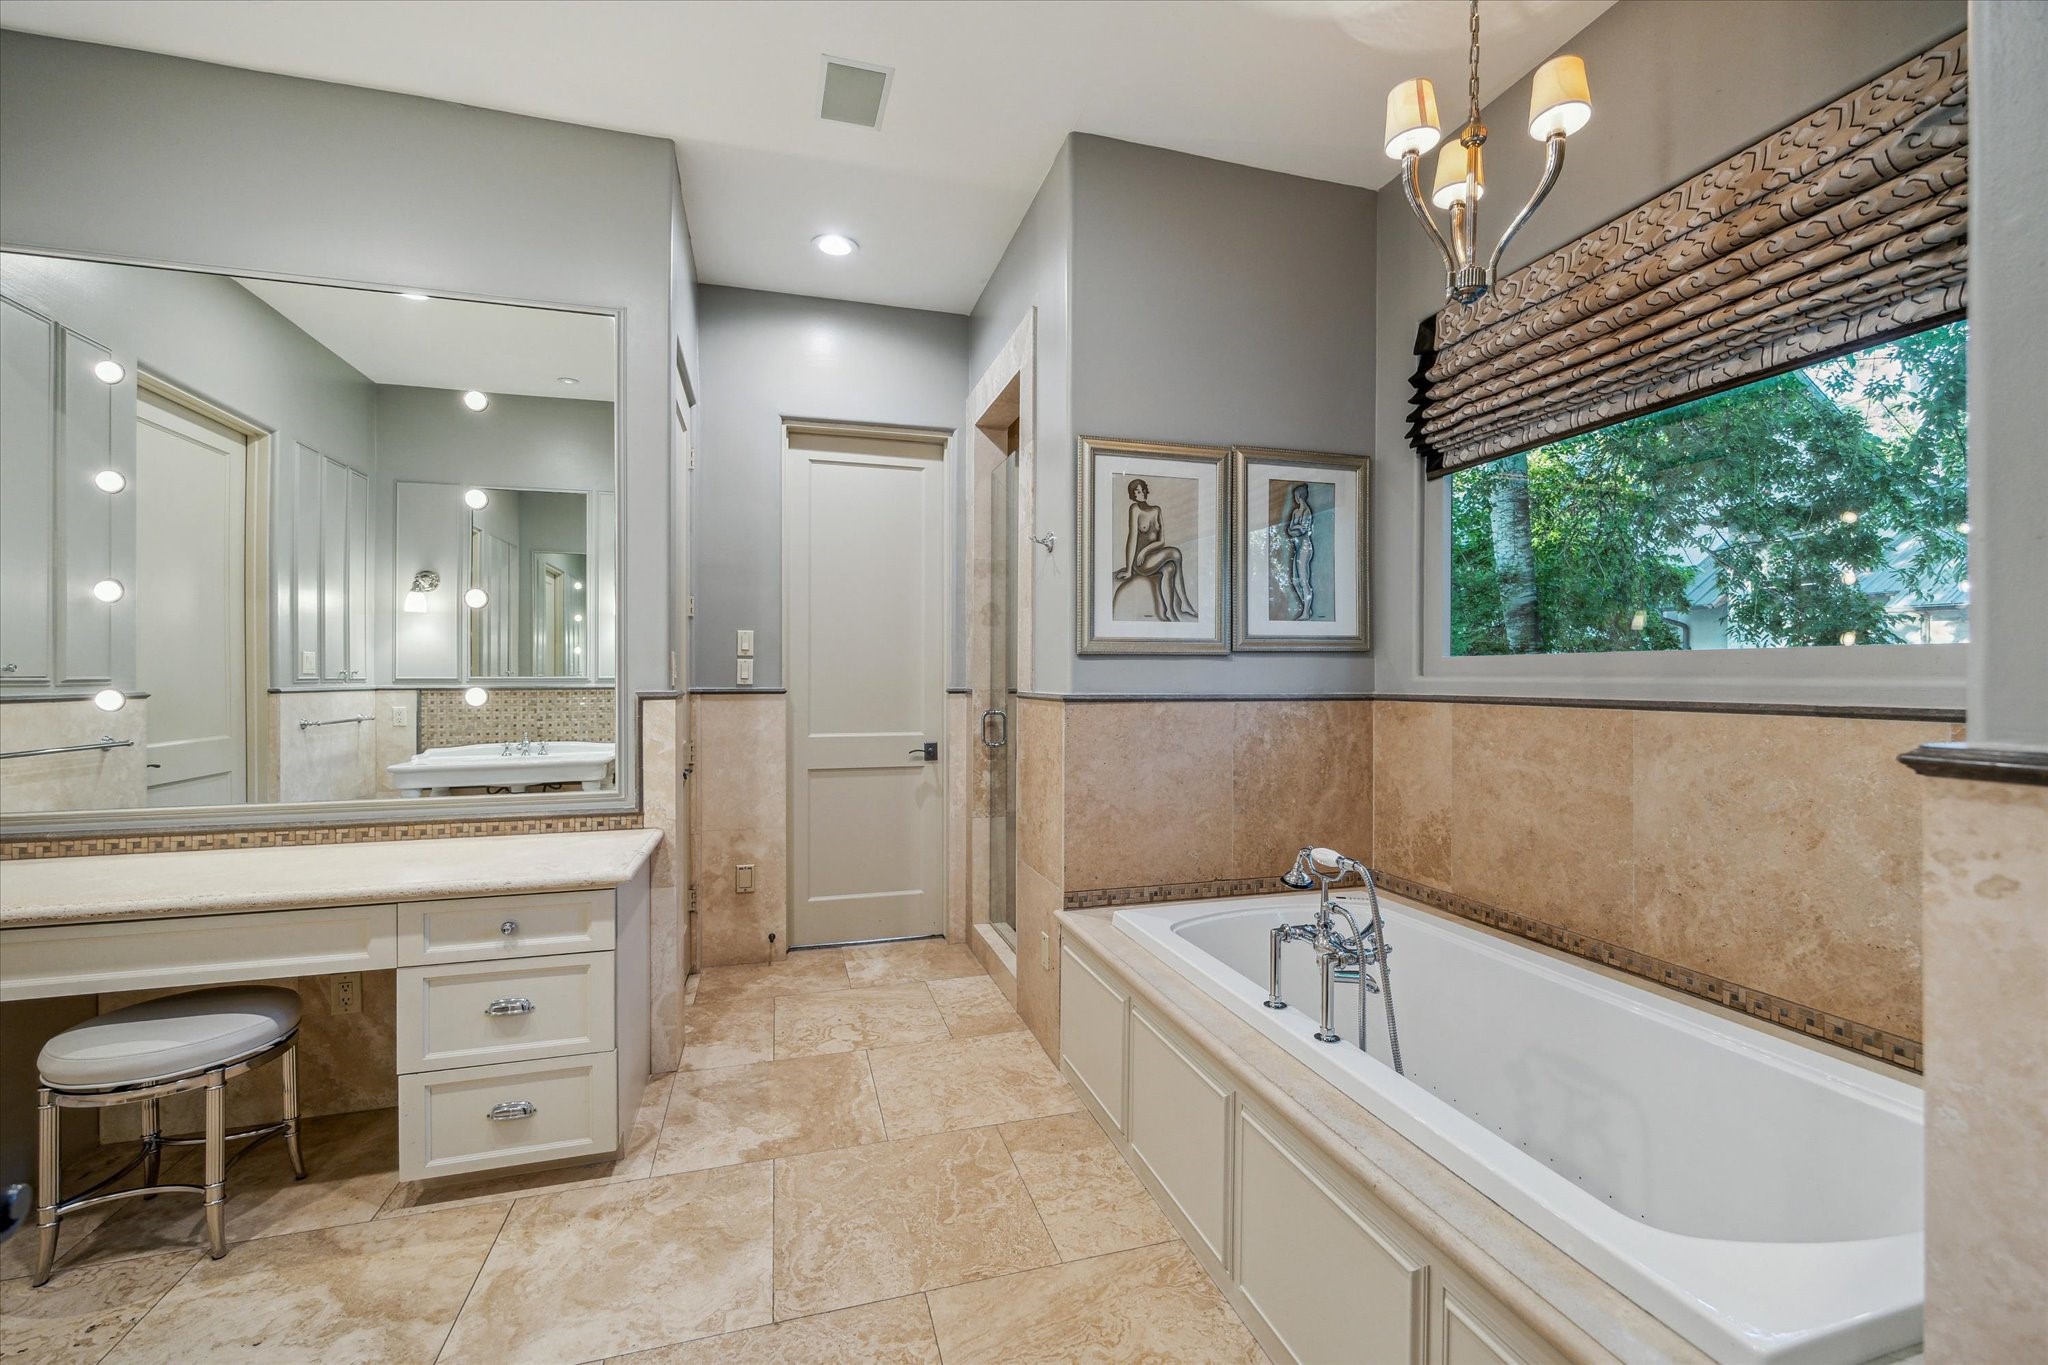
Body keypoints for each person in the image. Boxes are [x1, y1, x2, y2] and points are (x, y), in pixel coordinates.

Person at [1112, 478, 1197, 621]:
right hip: (1141, 563)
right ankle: (1186, 604)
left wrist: (1146, 549)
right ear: (1133, 495)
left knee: (1169, 568)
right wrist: (1128, 569)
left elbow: (1161, 541)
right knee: (1175, 553)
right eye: (1137, 492)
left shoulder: (1157, 510)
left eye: (1142, 489)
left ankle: (1170, 612)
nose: (1141, 493)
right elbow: (1132, 538)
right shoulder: (1135, 509)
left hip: (1154, 557)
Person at [1281, 481, 1317, 619]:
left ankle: (1306, 612)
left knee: (1303, 580)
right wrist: (1296, 529)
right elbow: (1291, 529)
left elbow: (1301, 530)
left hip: (1305, 547)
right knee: (1295, 581)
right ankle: (1306, 607)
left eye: (1296, 496)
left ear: (1299, 496)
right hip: (1297, 547)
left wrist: (1295, 529)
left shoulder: (1307, 512)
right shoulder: (1296, 512)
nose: (1295, 498)